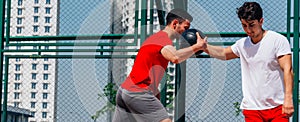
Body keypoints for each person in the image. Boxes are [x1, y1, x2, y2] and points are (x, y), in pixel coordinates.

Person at [202, 2, 294, 122]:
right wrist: (204, 48)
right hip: (252, 109)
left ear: (261, 21)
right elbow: (224, 53)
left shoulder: (278, 40)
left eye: (252, 25)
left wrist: (288, 99)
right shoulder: (242, 45)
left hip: (277, 108)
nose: (248, 30)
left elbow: (288, 70)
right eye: (244, 25)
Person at [112, 8, 207, 122]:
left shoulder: (156, 38)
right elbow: (175, 57)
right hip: (137, 92)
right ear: (175, 23)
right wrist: (197, 46)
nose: (186, 32)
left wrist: (155, 93)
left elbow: (147, 70)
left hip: (125, 92)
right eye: (185, 28)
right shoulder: (163, 39)